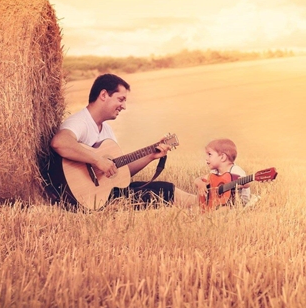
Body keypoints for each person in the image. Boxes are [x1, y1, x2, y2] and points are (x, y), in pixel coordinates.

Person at [47, 73, 197, 209]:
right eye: (121, 99)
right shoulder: (80, 121)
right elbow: (60, 142)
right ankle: (206, 203)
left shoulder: (106, 131)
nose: (124, 106)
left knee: (159, 189)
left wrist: (151, 156)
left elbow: (119, 173)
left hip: (101, 195)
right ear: (104, 95)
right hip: (79, 197)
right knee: (159, 191)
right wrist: (97, 160)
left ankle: (203, 202)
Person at [194, 138, 257, 209]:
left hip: (237, 205)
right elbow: (198, 179)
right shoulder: (214, 172)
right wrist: (200, 184)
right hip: (222, 204)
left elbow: (247, 184)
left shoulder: (236, 171)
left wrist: (243, 183)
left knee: (222, 210)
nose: (206, 158)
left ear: (222, 157)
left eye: (209, 154)